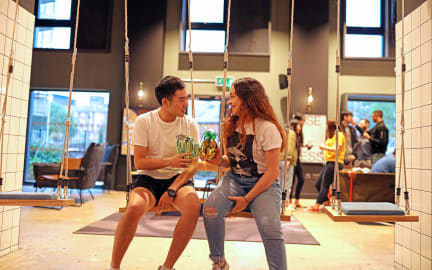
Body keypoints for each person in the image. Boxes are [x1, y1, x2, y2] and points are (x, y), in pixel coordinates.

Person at [109, 76, 201, 270]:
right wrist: (170, 161)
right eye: (181, 100)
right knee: (133, 208)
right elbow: (140, 161)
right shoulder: (144, 122)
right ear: (165, 102)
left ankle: (167, 267)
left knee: (193, 207)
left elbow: (193, 164)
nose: (186, 104)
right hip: (148, 178)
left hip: (178, 180)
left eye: (187, 98)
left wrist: (173, 189)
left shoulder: (190, 124)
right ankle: (114, 266)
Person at [203, 77, 287, 270]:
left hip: (263, 183)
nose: (229, 101)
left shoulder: (267, 128)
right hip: (234, 179)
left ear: (247, 98)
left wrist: (247, 199)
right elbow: (229, 162)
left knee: (270, 226)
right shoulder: (230, 125)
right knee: (210, 209)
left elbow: (273, 172)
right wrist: (217, 159)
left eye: (233, 96)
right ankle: (219, 261)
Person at [307, 120, 345, 212]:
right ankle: (326, 202)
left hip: (335, 162)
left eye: (327, 126)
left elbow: (336, 149)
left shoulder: (339, 135)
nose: (326, 128)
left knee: (324, 185)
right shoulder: (331, 137)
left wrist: (323, 147)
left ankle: (316, 206)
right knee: (318, 184)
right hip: (329, 163)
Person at [289, 112, 311, 208]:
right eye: (303, 121)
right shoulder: (291, 131)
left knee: (301, 179)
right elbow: (290, 146)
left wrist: (306, 146)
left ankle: (297, 200)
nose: (303, 123)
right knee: (291, 180)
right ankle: (289, 201)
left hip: (297, 157)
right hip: (292, 158)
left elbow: (298, 144)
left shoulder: (299, 131)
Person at [279, 119, 300, 208]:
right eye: (299, 125)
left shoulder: (285, 132)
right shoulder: (291, 133)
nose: (300, 128)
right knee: (286, 182)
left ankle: (281, 202)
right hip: (286, 160)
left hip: (280, 159)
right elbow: (290, 147)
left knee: (281, 182)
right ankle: (285, 203)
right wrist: (289, 159)